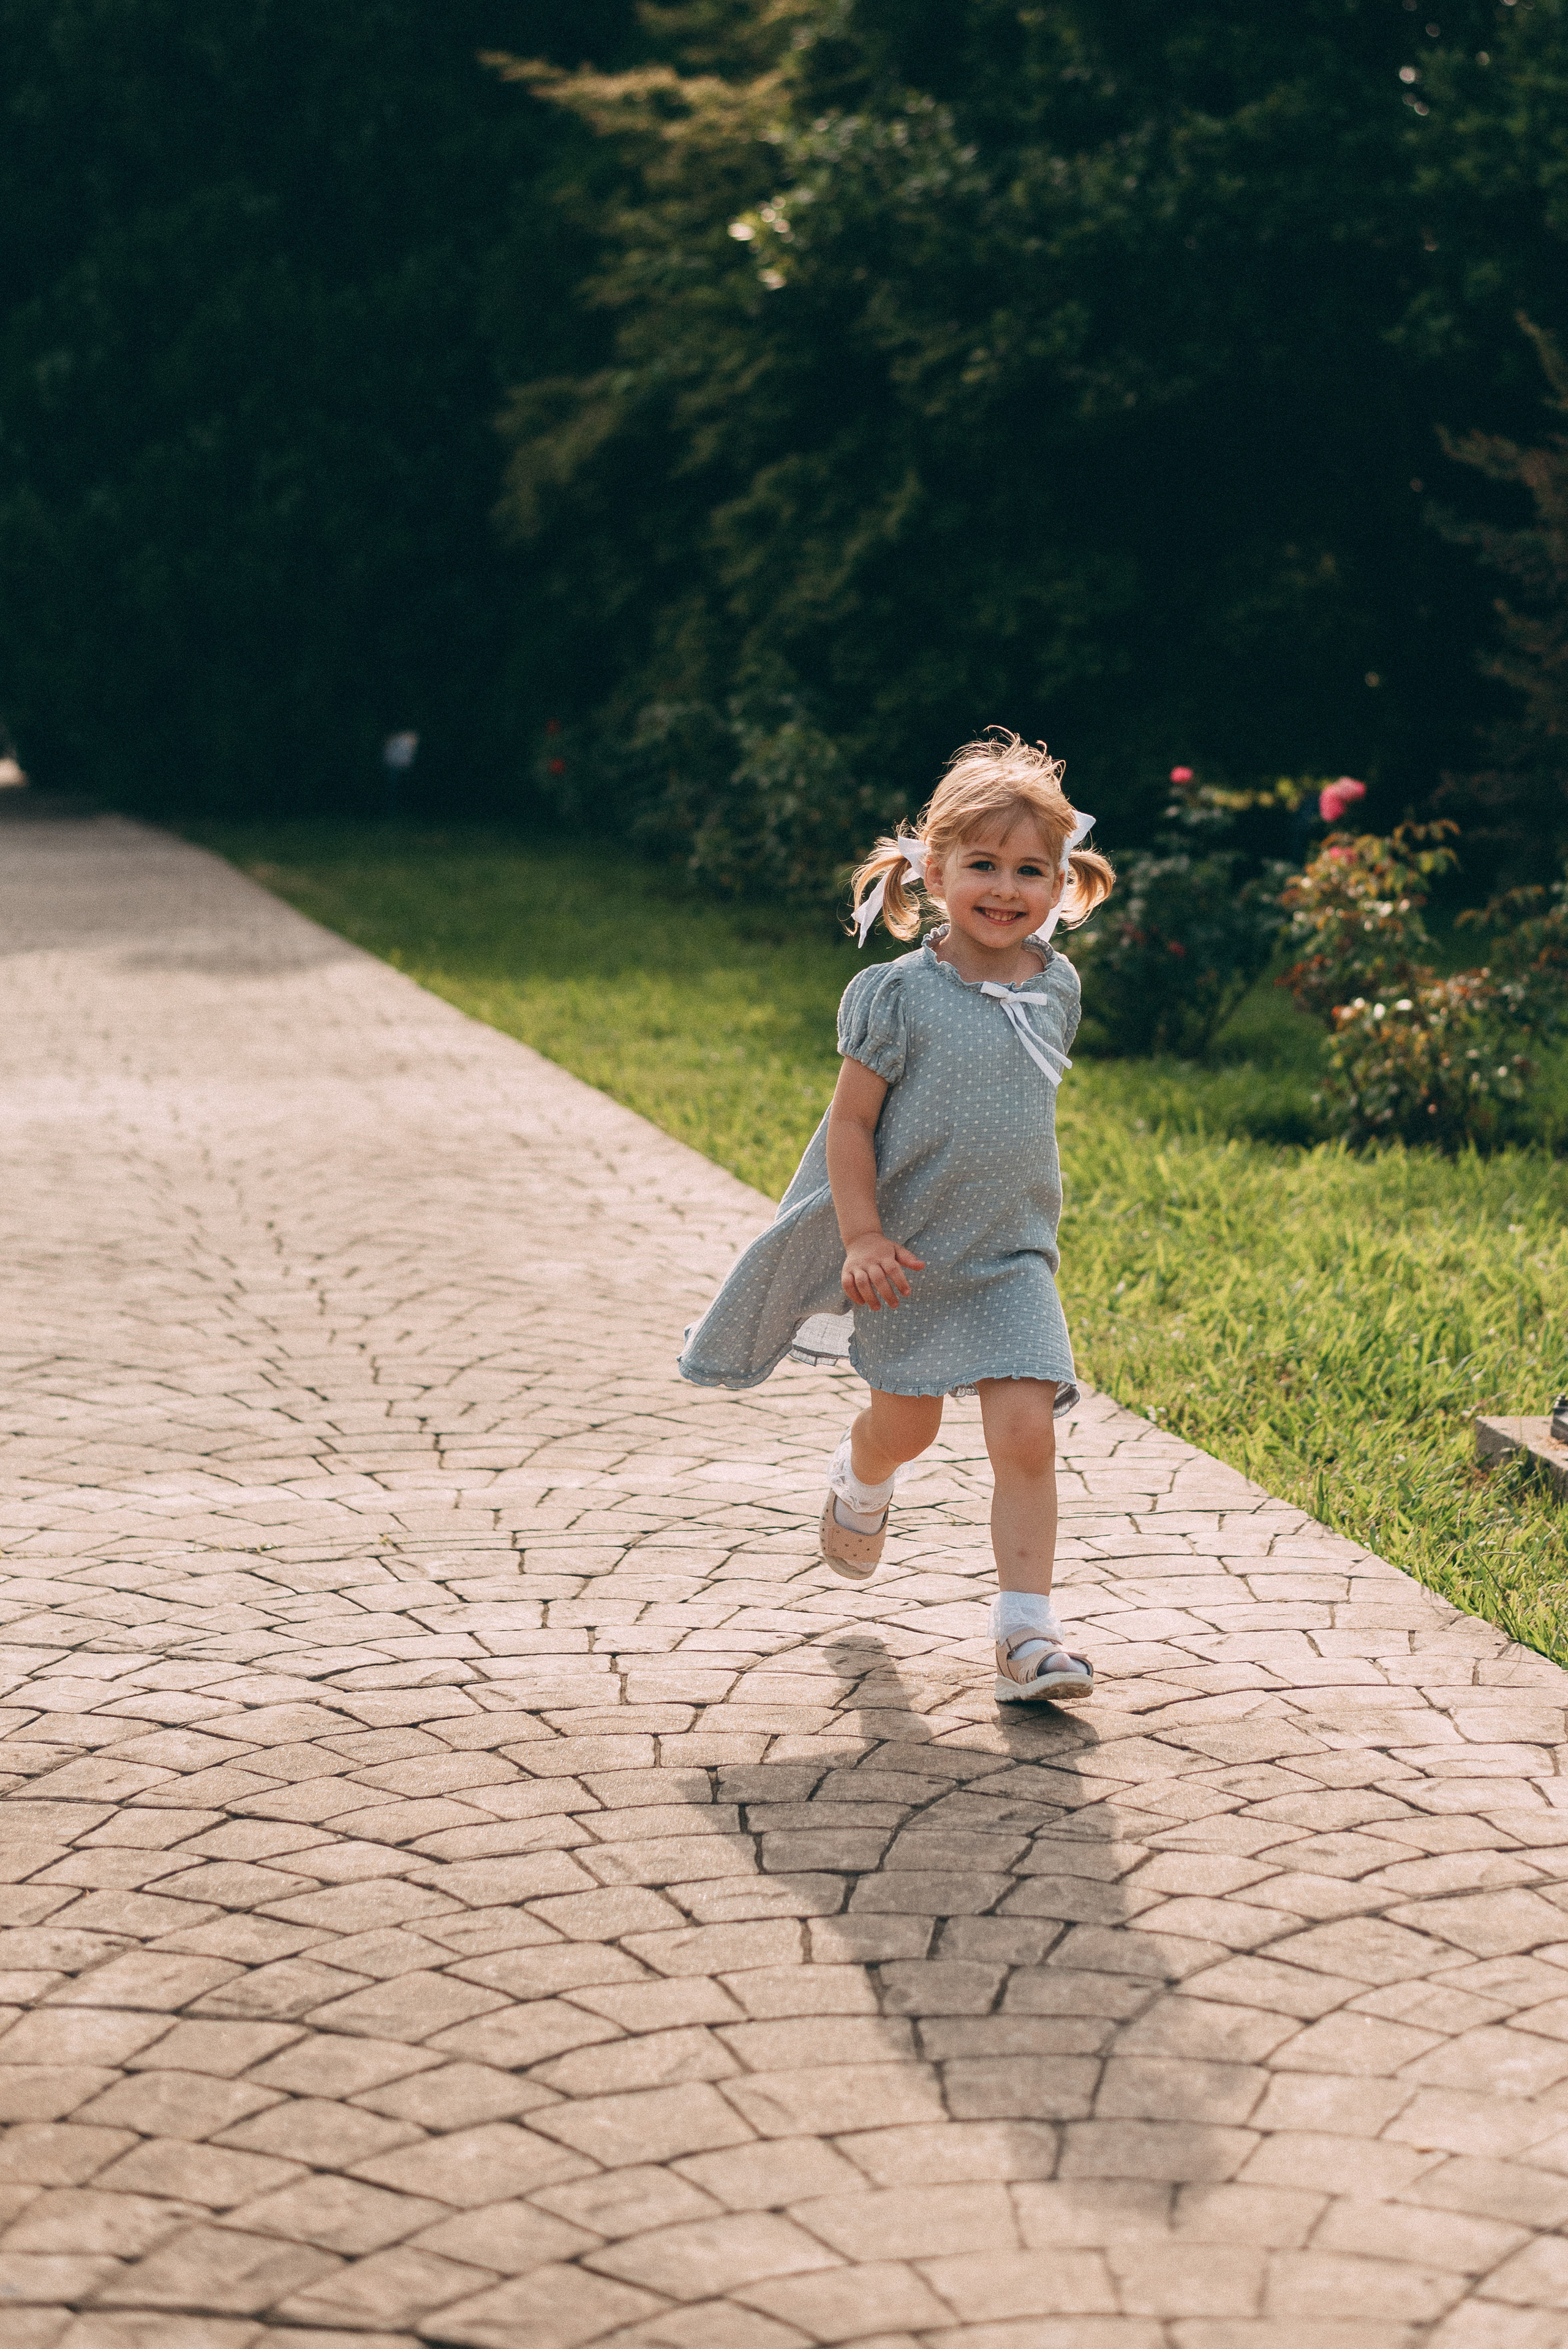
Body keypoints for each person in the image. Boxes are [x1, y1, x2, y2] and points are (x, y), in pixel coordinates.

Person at [679, 730, 1115, 1704]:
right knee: (907, 1426)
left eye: (1030, 870)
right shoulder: (896, 996)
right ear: (936, 869)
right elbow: (850, 1124)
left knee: (1027, 1436)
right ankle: (862, 1471)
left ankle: (1027, 1636)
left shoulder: (1057, 986)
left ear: (1060, 884)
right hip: (908, 1259)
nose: (1005, 888)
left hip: (1012, 1258)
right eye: (983, 864)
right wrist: (863, 1235)